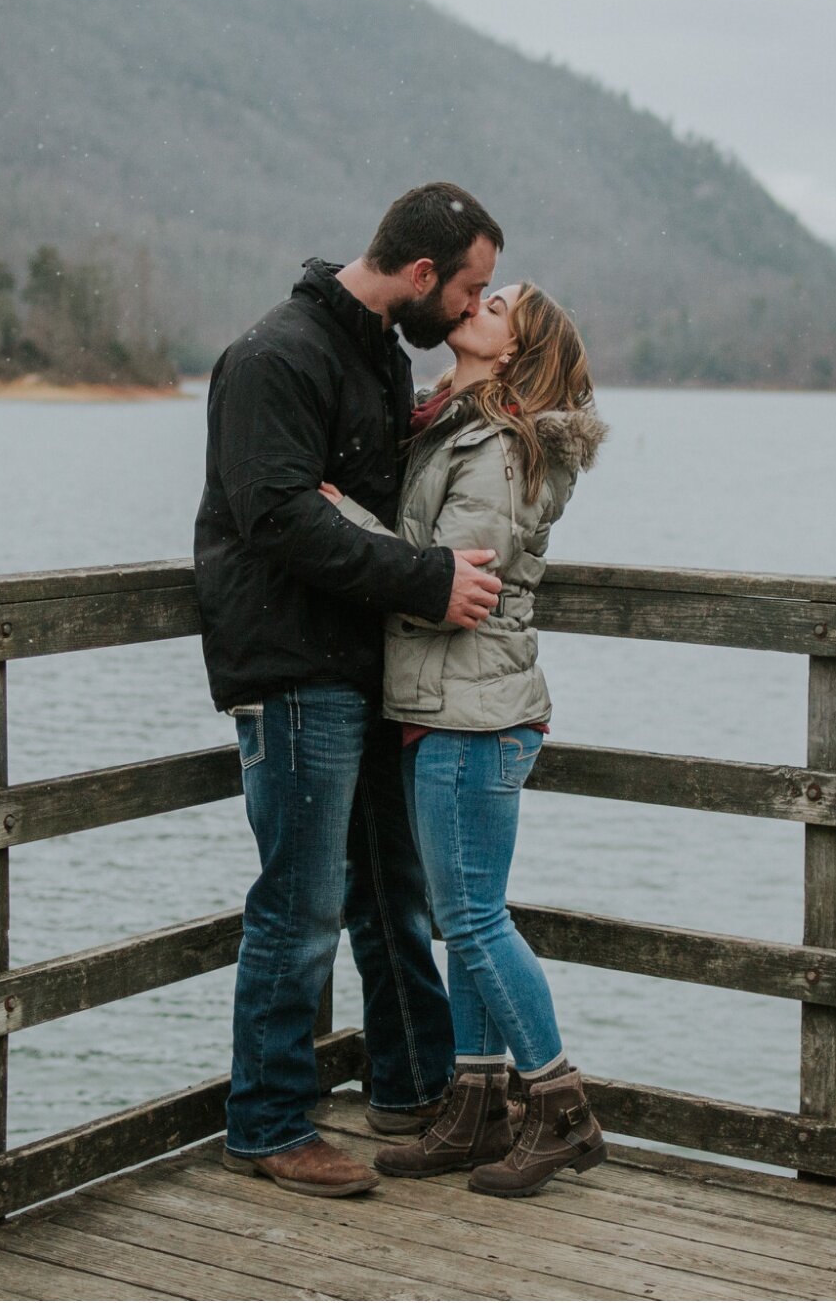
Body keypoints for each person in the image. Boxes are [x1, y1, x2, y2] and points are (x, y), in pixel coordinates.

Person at [194, 181, 510, 1197]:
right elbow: (277, 515)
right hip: (291, 670)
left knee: (390, 887)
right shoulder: (272, 355)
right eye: (467, 291)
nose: (467, 310)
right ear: (420, 275)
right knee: (300, 903)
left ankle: (410, 1088)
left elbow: (376, 498)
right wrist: (427, 581)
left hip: (366, 665)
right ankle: (269, 1123)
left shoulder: (377, 354)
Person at [319, 281, 610, 1197]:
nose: (476, 306)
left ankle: (561, 1108)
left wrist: (343, 520)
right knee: (467, 917)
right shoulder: (458, 423)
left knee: (474, 921)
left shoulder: (492, 450)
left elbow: (454, 578)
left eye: (498, 309)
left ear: (513, 357)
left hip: (473, 714)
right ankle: (479, 1106)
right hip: (459, 708)